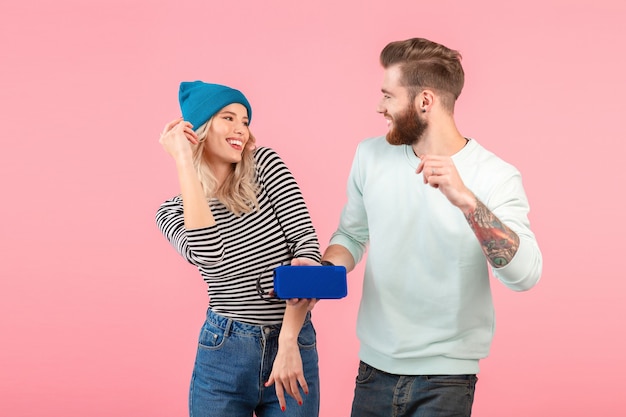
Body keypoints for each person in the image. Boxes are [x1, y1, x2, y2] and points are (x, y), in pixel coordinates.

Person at [320, 38, 543, 416]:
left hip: (446, 380)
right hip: (373, 371)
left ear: (425, 101)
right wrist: (323, 272)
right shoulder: (369, 155)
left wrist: (468, 201)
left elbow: (525, 276)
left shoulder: (495, 176)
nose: (379, 107)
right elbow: (352, 235)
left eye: (388, 96)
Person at [155, 81, 321, 417]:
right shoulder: (171, 212)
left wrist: (288, 341)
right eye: (228, 118)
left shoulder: (264, 167)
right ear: (199, 130)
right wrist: (184, 162)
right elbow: (208, 253)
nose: (240, 130)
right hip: (224, 351)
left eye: (245, 121)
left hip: (292, 340)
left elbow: (306, 249)